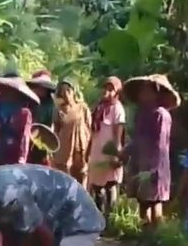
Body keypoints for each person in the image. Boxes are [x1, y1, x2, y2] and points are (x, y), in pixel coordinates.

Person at [121, 74, 179, 231]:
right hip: (141, 163)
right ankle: (145, 234)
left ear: (156, 93)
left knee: (155, 202)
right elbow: (138, 138)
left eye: (146, 91)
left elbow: (158, 144)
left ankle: (157, 236)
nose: (142, 95)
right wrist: (129, 151)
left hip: (155, 166)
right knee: (143, 201)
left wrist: (151, 168)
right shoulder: (142, 114)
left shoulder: (161, 115)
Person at [87, 76, 126, 214]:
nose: (107, 92)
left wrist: (116, 154)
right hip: (97, 151)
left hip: (109, 152)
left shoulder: (118, 109)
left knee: (110, 185)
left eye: (111, 89)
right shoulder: (99, 108)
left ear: (117, 92)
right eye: (106, 88)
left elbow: (118, 133)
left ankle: (111, 218)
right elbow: (93, 132)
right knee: (97, 186)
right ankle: (99, 217)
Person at [0, 76, 38, 166]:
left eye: (9, 90)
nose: (6, 93)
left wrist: (22, 158)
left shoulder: (24, 112)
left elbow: (25, 136)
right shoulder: (0, 104)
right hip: (0, 146)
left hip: (14, 150)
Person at [52, 80, 91, 185]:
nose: (66, 94)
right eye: (63, 91)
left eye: (68, 91)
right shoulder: (58, 110)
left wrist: (89, 146)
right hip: (64, 148)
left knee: (81, 175)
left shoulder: (83, 108)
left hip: (80, 147)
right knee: (65, 177)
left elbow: (89, 127)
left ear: (74, 92)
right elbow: (56, 130)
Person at [26, 70, 57, 166]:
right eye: (39, 87)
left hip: (42, 139)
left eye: (43, 88)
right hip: (26, 137)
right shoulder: (28, 100)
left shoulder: (50, 104)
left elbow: (51, 124)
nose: (41, 90)